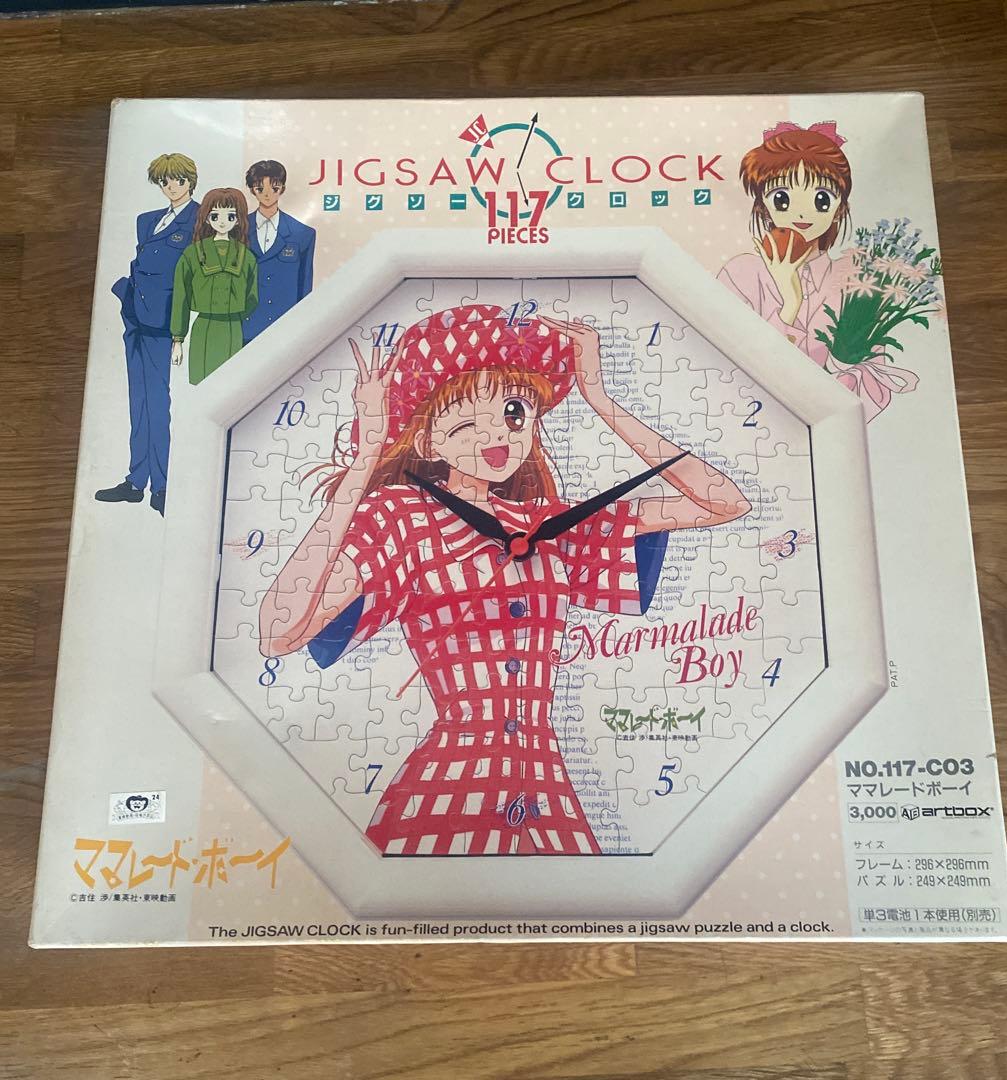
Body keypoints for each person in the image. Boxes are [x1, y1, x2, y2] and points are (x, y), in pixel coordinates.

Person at [258, 305, 751, 857]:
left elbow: (724, 503)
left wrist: (600, 399)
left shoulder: (548, 526)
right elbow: (280, 631)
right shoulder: (401, 515)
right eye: (466, 422)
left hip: (545, 784)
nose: (496, 435)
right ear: (428, 443)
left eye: (514, 412)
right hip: (452, 784)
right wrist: (366, 457)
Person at [718, 122, 918, 420]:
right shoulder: (740, 274)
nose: (801, 213)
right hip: (747, 422)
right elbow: (725, 365)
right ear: (762, 206)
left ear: (840, 208)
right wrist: (790, 305)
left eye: (821, 199)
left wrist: (828, 391)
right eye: (782, 198)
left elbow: (875, 381)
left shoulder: (857, 280)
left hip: (832, 431)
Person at [97, 152, 199, 516]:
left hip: (163, 325)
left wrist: (179, 328)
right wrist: (125, 293)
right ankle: (135, 481)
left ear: (190, 181)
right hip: (135, 320)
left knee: (157, 403)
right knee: (137, 402)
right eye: (165, 181)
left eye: (178, 180)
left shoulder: (200, 220)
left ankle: (163, 485)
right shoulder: (147, 220)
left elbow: (193, 277)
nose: (171, 186)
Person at [170, 188, 258, 385]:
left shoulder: (247, 257)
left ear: (238, 220)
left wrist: (234, 313)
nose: (222, 221)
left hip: (233, 329)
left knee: (231, 385)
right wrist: (178, 340)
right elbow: (180, 298)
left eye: (230, 216)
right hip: (203, 327)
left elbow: (252, 298)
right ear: (207, 219)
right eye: (215, 215)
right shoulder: (192, 254)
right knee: (202, 384)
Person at [241, 160, 316, 344]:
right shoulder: (237, 231)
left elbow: (305, 288)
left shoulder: (303, 234)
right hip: (244, 326)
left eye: (274, 188)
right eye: (260, 189)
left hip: (284, 329)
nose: (267, 194)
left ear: (282, 188)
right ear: (252, 190)